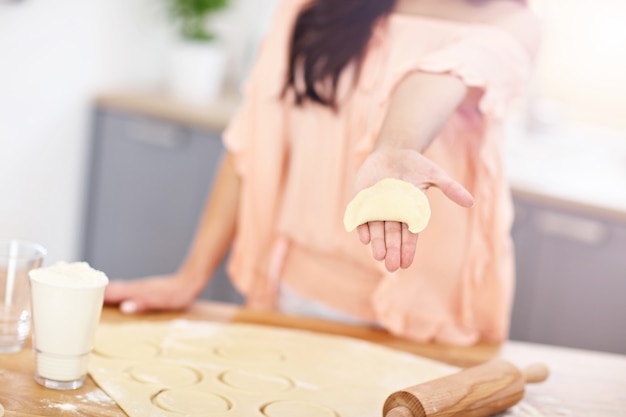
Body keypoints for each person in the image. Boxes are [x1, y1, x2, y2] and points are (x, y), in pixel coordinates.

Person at [104, 0, 541, 345]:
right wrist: (190, 277)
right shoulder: (313, 10)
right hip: (297, 301)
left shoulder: (511, 21)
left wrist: (394, 147)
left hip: (428, 324)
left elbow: (438, 76)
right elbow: (251, 146)